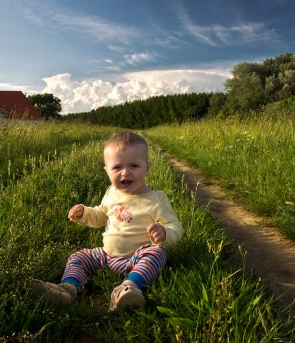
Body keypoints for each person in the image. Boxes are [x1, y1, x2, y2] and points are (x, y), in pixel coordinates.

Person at [32, 131, 184, 310]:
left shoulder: (156, 199)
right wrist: (84, 214)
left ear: (147, 167)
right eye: (117, 167)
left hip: (136, 256)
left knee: (157, 253)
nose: (125, 173)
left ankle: (128, 289)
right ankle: (68, 289)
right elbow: (101, 215)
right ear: (106, 171)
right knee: (79, 257)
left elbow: (175, 226)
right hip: (106, 255)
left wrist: (165, 232)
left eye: (134, 166)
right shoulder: (111, 193)